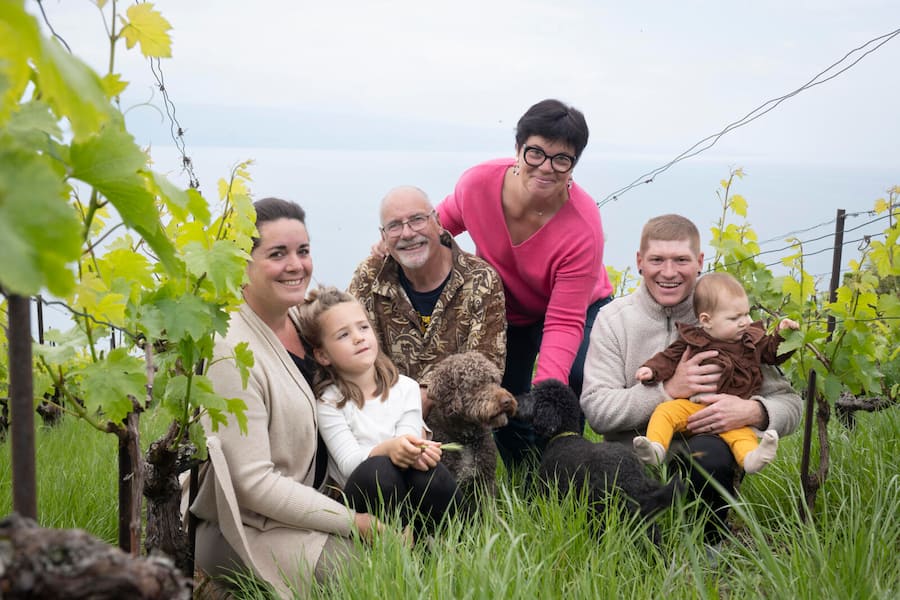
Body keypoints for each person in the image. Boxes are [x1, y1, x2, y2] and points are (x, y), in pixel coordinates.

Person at [189, 198, 384, 596]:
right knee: (371, 574)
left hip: (314, 505)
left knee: (427, 550)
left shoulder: (303, 320)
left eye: (303, 251)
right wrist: (356, 522)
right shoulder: (231, 353)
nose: (296, 265)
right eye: (277, 254)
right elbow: (253, 484)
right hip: (245, 525)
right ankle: (217, 587)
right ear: (242, 263)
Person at [580, 214, 802, 543]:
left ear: (699, 262)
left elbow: (791, 404)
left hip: (701, 450)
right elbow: (597, 409)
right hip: (632, 456)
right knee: (616, 521)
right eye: (657, 260)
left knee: (710, 455)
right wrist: (667, 391)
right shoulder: (613, 320)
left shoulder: (727, 315)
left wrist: (753, 411)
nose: (668, 272)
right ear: (640, 262)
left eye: (681, 260)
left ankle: (709, 542)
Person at [437, 99, 613, 468]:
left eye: (561, 159)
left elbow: (564, 322)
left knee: (573, 376)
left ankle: (564, 462)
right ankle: (526, 475)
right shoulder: (478, 184)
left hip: (578, 306)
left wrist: (547, 396)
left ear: (573, 166)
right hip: (508, 306)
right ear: (518, 149)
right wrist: (392, 245)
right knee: (502, 390)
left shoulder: (583, 228)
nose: (546, 167)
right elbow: (441, 224)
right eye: (536, 152)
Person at [296, 286, 461, 537]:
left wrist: (417, 449)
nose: (358, 337)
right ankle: (392, 543)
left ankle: (452, 540)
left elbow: (408, 438)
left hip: (411, 492)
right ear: (322, 355)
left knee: (428, 471)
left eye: (363, 327)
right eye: (343, 335)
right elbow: (350, 464)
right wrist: (390, 448)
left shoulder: (406, 388)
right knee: (380, 469)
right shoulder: (329, 402)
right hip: (367, 503)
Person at [349, 185, 507, 408]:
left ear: (439, 223)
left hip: (457, 425)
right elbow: (349, 353)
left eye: (417, 220)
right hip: (383, 418)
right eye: (394, 226)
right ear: (383, 236)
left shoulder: (481, 279)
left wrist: (425, 398)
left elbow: (487, 367)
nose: (407, 233)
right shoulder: (368, 276)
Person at [632, 272, 800, 474]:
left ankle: (751, 459)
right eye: (734, 318)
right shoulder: (693, 340)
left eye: (746, 314)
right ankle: (656, 448)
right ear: (706, 320)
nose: (745, 322)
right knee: (665, 412)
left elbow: (773, 354)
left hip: (731, 411)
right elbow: (669, 357)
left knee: (742, 435)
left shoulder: (751, 341)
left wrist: (782, 336)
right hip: (693, 407)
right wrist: (651, 369)